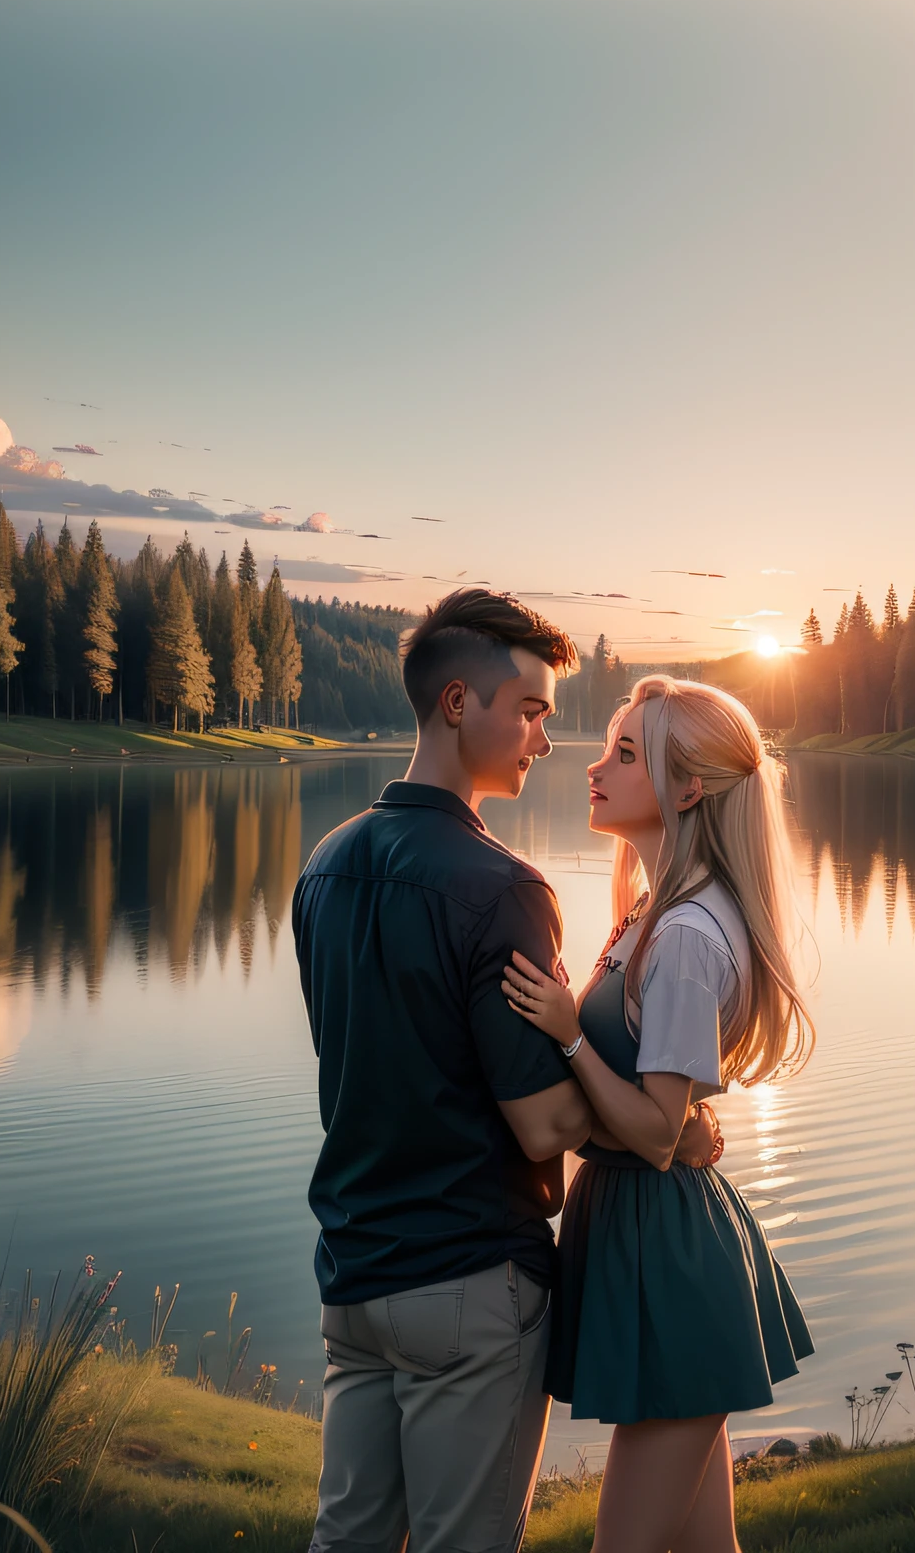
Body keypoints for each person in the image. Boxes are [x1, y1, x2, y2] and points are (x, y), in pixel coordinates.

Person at [292, 591, 717, 1553]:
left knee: (344, 1541)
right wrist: (668, 1127)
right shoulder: (504, 888)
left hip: (352, 1278)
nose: (545, 738)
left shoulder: (323, 867)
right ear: (456, 704)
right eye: (528, 710)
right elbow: (546, 1128)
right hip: (468, 1284)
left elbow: (367, 1071)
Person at [504, 674, 815, 1553]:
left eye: (626, 752)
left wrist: (568, 1035)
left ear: (689, 787)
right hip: (649, 1242)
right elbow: (664, 1122)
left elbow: (651, 1127)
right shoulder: (654, 912)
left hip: (671, 1260)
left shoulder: (682, 935)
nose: (594, 766)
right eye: (607, 746)